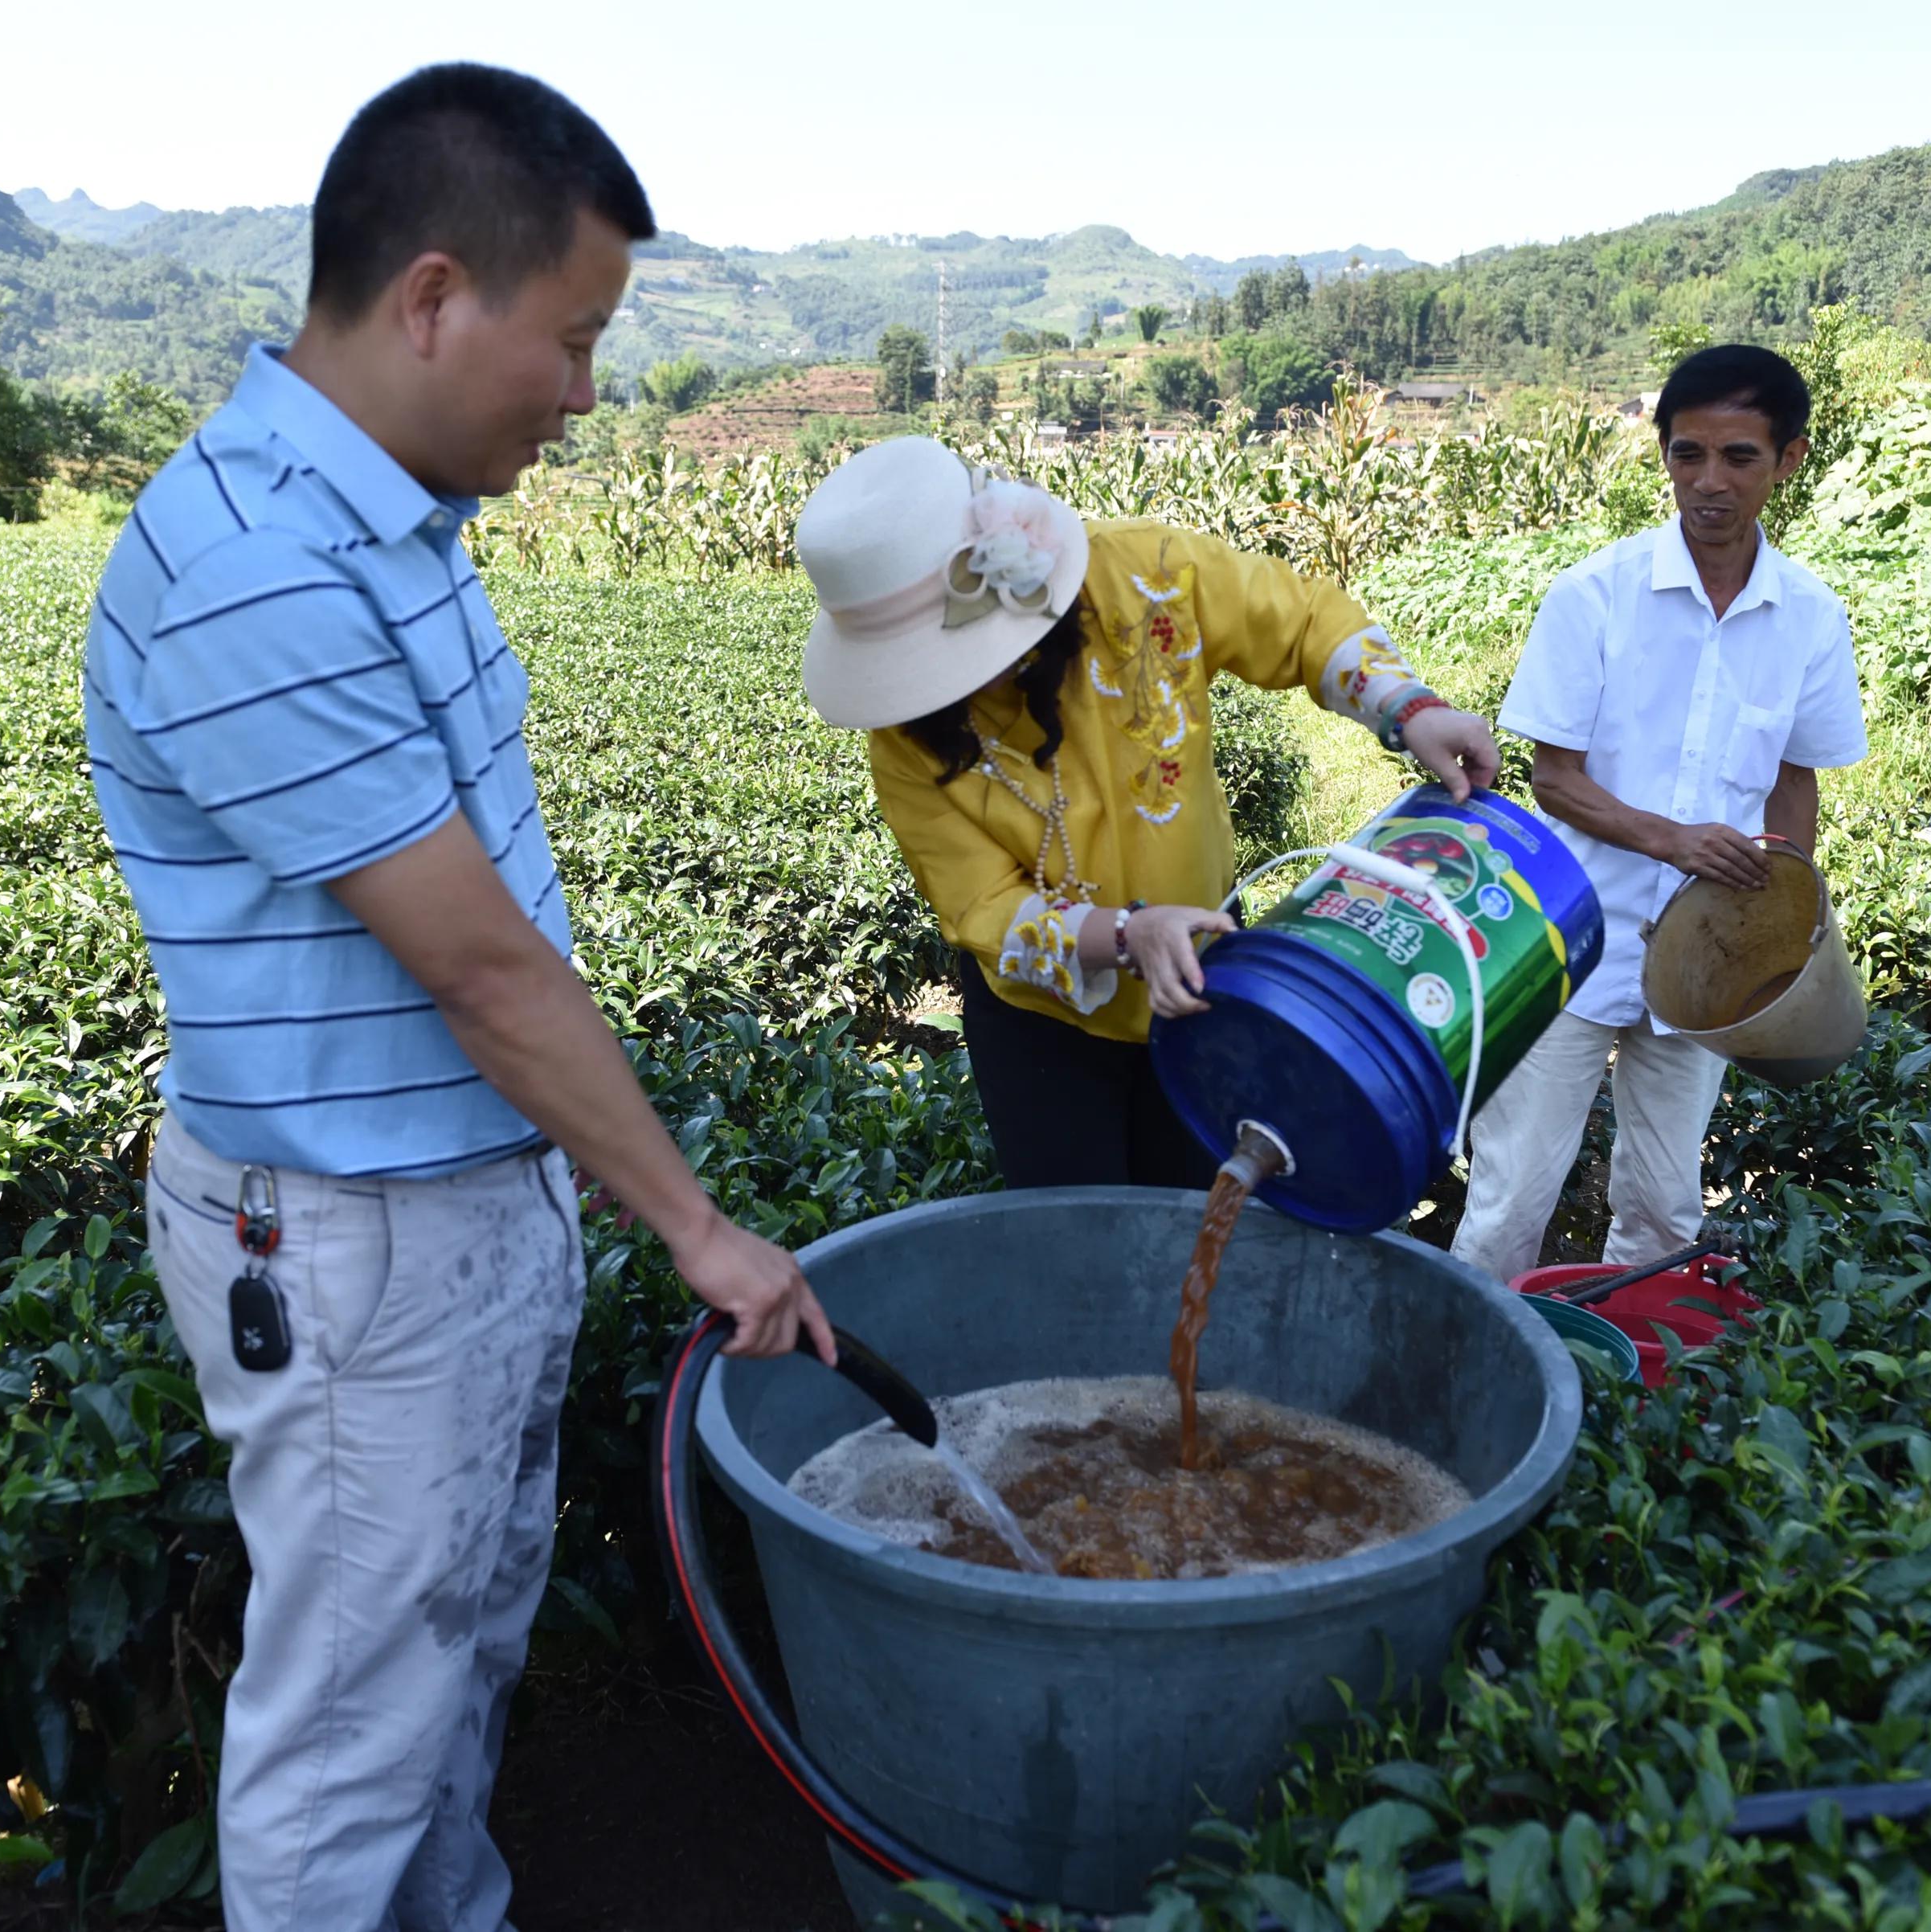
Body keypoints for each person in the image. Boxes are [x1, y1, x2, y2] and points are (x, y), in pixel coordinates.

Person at [81, 65, 831, 1932]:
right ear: (432, 298)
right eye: (573, 339)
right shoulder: (260, 569)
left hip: (457, 1201)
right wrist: (696, 1225)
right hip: (355, 1239)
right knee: (353, 1714)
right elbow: (482, 963)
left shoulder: (379, 520)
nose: (586, 394)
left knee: (450, 1647)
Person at [794, 437, 1501, 1189]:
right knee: (1077, 1246)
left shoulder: (1147, 572)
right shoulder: (905, 740)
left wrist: (1407, 706)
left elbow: (1297, 621)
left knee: (1192, 1207)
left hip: (1200, 981)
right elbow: (982, 906)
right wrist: (1127, 935)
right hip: (1042, 1025)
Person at [1449, 344, 1870, 1283]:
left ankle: (1644, 1395)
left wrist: (1777, 930)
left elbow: (1793, 781)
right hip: (1568, 937)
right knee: (1512, 1194)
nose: (1708, 482)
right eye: (1687, 455)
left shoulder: (1808, 617)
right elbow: (1553, 778)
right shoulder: (1594, 596)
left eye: (1738, 457)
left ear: (1789, 459)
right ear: (1666, 455)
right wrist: (1674, 841)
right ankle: (1472, 1387)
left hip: (1706, 964)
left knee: (1664, 1203)